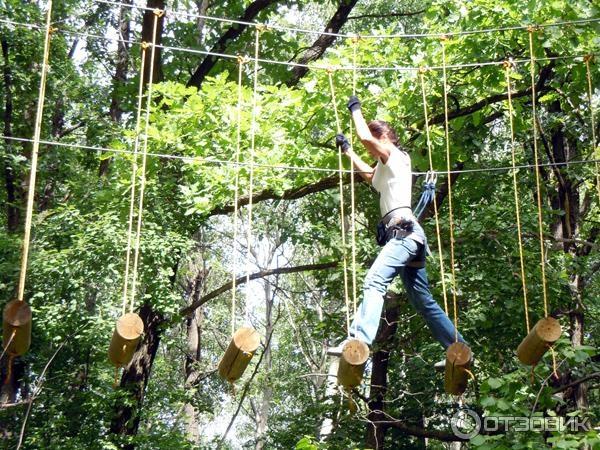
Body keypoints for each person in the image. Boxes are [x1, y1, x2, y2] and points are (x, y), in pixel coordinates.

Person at [327, 95, 467, 367]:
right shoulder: (386, 168)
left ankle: (358, 340)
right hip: (407, 238)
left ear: (385, 139)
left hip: (404, 235)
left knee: (374, 281)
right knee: (422, 300)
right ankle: (458, 351)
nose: (370, 148)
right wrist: (348, 152)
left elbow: (367, 139)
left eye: (375, 142)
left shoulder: (397, 157)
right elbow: (369, 176)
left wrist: (355, 109)